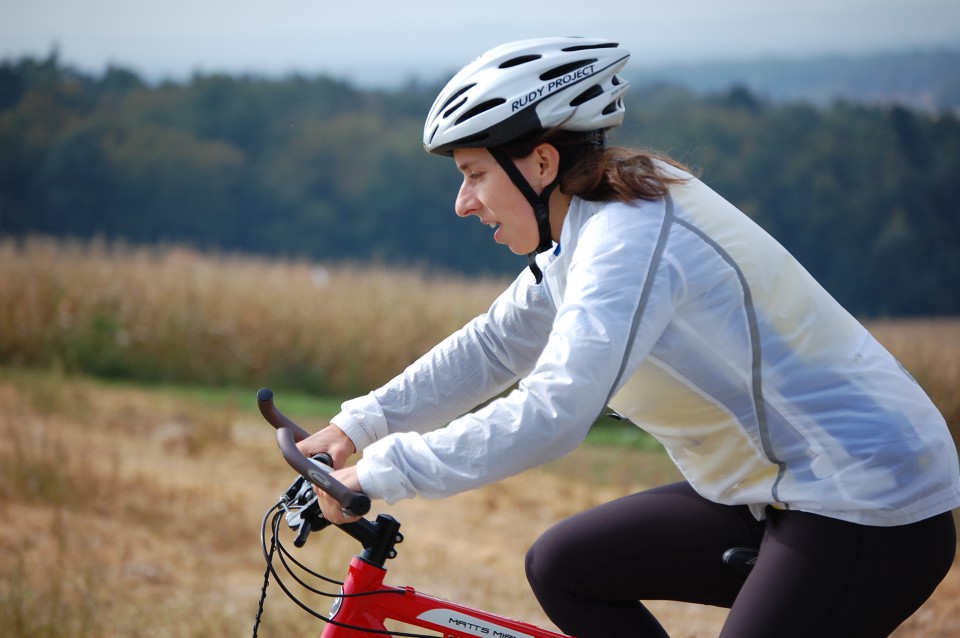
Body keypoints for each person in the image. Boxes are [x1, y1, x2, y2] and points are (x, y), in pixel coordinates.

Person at [297, 37, 960, 637]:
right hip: (775, 487)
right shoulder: (589, 226)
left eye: (473, 173)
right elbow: (497, 345)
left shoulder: (628, 240)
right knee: (564, 567)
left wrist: (383, 470)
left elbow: (551, 414)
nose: (463, 202)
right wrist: (360, 425)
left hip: (866, 500)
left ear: (541, 162)